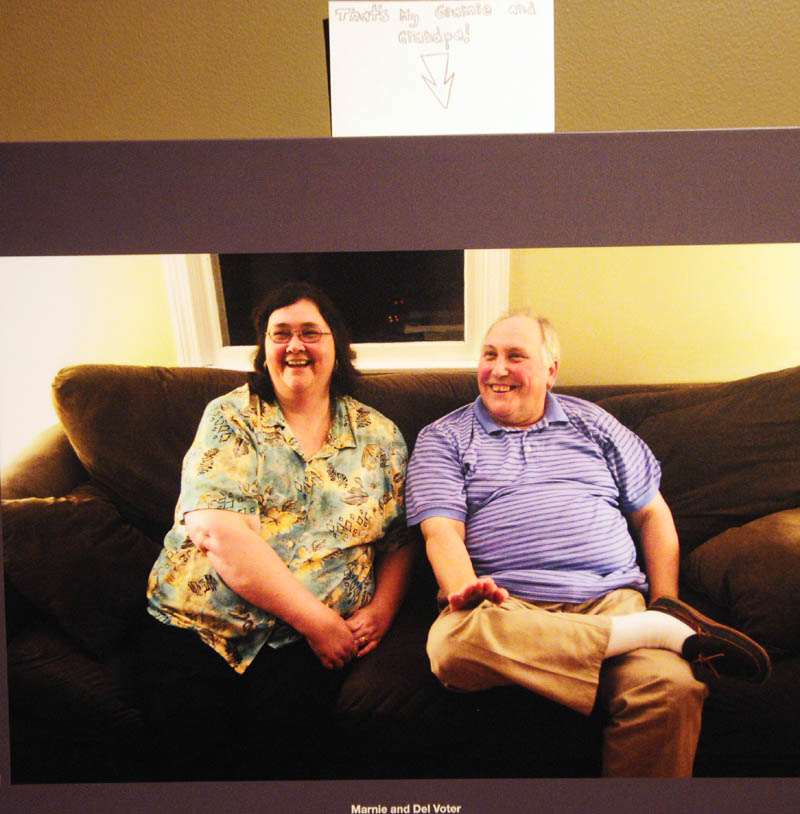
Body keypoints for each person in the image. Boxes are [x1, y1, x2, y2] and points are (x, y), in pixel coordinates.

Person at [405, 311, 770, 777]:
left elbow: (653, 513)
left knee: (669, 689)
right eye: (489, 355)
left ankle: (658, 622)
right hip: (507, 607)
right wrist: (464, 591)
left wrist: (665, 598)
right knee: (453, 646)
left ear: (551, 370)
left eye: (516, 356)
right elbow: (441, 532)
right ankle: (655, 632)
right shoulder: (445, 437)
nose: (497, 369)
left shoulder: (593, 423)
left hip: (609, 599)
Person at [139, 281, 415, 780]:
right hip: (202, 627)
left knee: (287, 765)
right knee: (192, 768)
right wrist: (318, 622)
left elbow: (399, 540)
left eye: (311, 333)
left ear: (337, 346)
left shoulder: (380, 436)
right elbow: (218, 533)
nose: (295, 346)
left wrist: (383, 610)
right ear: (263, 348)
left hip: (302, 649)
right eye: (280, 333)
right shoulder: (230, 417)